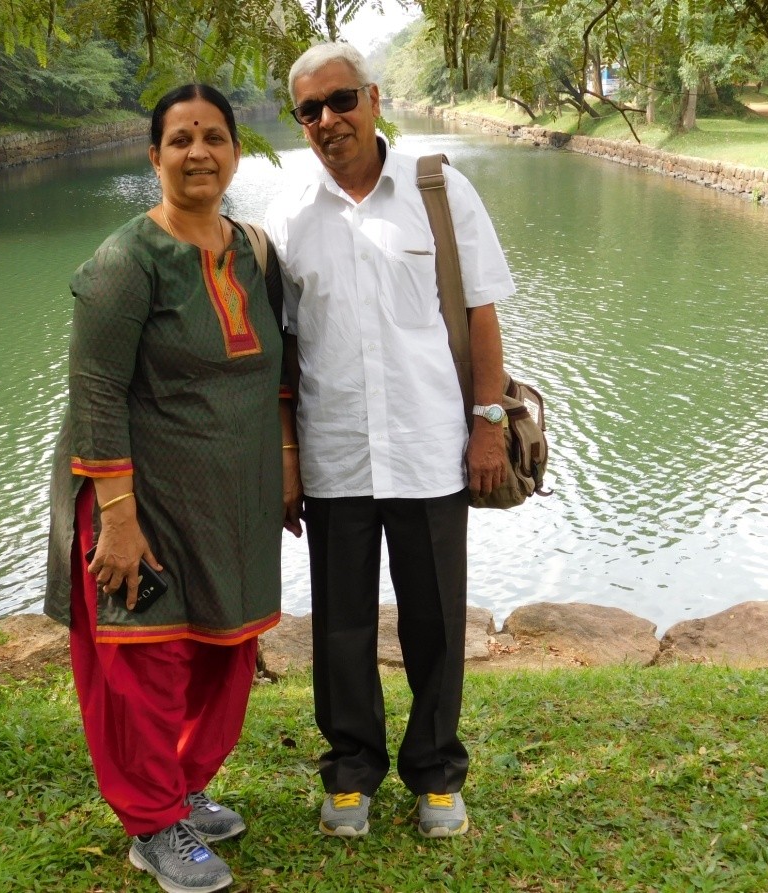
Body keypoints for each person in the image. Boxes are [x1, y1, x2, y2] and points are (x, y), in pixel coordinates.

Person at [44, 83, 299, 893]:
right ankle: (152, 825)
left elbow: (281, 371)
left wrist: (286, 462)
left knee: (224, 653)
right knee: (145, 665)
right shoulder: (125, 261)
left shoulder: (255, 250)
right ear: (153, 155)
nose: (199, 153)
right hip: (139, 503)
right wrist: (115, 518)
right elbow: (94, 395)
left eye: (214, 137)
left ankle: (180, 788)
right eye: (180, 139)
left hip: (231, 500)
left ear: (234, 151)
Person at [264, 42, 514, 840]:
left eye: (340, 101)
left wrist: (487, 425)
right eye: (309, 110)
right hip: (334, 450)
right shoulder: (287, 215)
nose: (327, 121)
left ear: (372, 98)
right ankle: (350, 774)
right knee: (339, 626)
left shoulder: (439, 192)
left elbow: (480, 312)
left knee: (434, 620)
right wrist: (285, 458)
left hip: (430, 445)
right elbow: (281, 352)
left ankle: (437, 774)